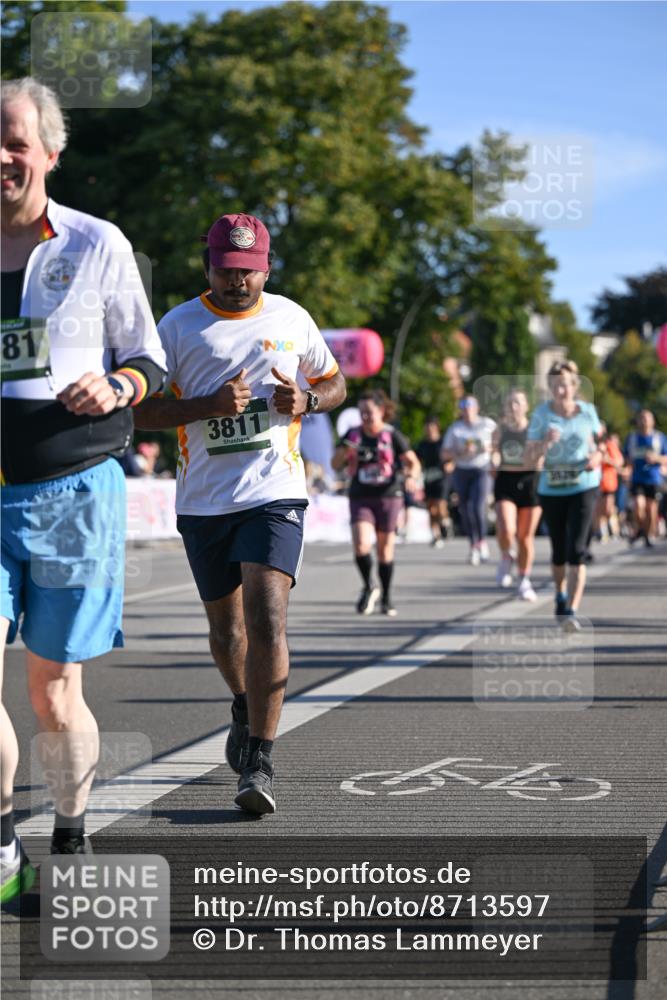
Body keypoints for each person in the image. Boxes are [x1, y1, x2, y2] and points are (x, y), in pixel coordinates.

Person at [1, 78, 167, 898]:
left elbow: (148, 358)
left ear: (49, 153)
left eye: (14, 141)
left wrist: (119, 388)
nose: (0, 157)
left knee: (54, 690)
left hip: (73, 495)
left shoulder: (95, 243)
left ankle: (69, 832)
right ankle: (2, 845)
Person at [134, 212, 346, 815]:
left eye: (249, 273)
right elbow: (137, 413)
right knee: (228, 634)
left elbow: (335, 385)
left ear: (267, 269)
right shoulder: (177, 327)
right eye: (228, 271)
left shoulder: (292, 317)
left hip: (274, 491)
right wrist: (204, 406)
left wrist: (307, 399)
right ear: (209, 267)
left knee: (268, 617)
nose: (238, 283)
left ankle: (259, 758)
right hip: (203, 500)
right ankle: (241, 702)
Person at [526, 360, 603, 631]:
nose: (562, 390)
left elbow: (602, 442)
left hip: (584, 484)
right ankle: (559, 595)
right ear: (550, 387)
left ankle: (571, 609)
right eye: (556, 385)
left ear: (575, 386)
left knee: (577, 549)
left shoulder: (588, 412)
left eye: (566, 385)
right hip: (552, 487)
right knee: (558, 550)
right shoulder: (541, 415)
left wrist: (597, 455)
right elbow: (529, 457)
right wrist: (545, 443)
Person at [332, 389, 420, 617]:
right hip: (361, 495)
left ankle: (387, 596)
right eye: (361, 413)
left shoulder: (393, 436)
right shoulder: (352, 435)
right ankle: (369, 585)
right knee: (361, 544)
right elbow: (335, 464)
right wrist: (345, 453)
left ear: (381, 411)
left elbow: (413, 463)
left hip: (389, 495)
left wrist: (410, 477)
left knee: (384, 550)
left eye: (369, 412)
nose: (365, 417)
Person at [491, 389, 541, 600]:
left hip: (530, 482)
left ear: (526, 406)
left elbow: (540, 457)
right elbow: (493, 451)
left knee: (525, 537)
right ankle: (505, 556)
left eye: (518, 403)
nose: (513, 407)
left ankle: (524, 579)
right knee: (506, 529)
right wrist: (493, 460)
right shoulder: (500, 430)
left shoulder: (535, 429)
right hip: (506, 482)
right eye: (510, 403)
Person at [441, 396, 496, 565]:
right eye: (463, 406)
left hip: (482, 469)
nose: (467, 410)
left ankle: (482, 541)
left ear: (477, 407)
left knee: (477, 505)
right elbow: (444, 454)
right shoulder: (455, 429)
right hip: (462, 470)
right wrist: (461, 451)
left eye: (470, 406)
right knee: (465, 508)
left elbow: (500, 443)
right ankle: (473, 545)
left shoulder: (487, 424)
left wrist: (486, 448)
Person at [623, 410, 667, 547]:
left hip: (654, 478)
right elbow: (626, 458)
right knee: (638, 506)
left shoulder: (659, 438)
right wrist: (627, 470)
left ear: (652, 421)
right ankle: (640, 529)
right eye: (641, 418)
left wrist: (656, 458)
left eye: (647, 418)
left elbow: (666, 457)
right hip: (637, 478)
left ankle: (647, 535)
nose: (644, 421)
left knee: (652, 510)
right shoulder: (632, 438)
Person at [416, 417, 453, 548]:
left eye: (432, 427)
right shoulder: (422, 445)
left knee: (441, 505)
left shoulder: (443, 442)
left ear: (437, 428)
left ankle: (445, 523)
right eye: (427, 427)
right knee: (431, 509)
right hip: (428, 478)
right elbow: (417, 460)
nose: (429, 430)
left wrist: (451, 464)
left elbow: (452, 457)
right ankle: (436, 536)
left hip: (442, 478)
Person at [590, 423, 624, 544]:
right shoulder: (590, 444)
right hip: (594, 482)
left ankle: (614, 531)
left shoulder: (609, 444)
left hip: (608, 482)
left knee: (608, 508)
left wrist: (607, 459)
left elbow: (619, 462)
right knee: (598, 509)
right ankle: (601, 532)